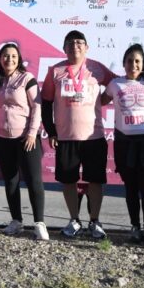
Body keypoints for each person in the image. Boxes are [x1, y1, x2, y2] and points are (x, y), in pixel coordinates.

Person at [42, 30, 116, 239]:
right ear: (64, 48)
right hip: (66, 137)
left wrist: (104, 100)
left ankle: (94, 221)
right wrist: (51, 130)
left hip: (94, 136)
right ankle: (74, 219)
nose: (75, 45)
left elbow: (117, 86)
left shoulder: (97, 68)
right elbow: (46, 102)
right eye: (70, 43)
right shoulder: (55, 71)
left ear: (87, 47)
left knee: (95, 180)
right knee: (69, 181)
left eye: (79, 42)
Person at [0, 43, 48, 241]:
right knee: (11, 180)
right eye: (5, 56)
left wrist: (32, 133)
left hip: (25, 138)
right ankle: (16, 220)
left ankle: (39, 223)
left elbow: (37, 107)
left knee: (33, 180)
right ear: (0, 59)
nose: (9, 59)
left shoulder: (27, 79)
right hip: (2, 138)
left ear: (19, 59)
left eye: (13, 56)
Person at [102, 44, 144, 245]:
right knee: (131, 187)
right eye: (129, 60)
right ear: (123, 63)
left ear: (143, 64)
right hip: (124, 142)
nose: (133, 64)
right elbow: (99, 101)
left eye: (137, 61)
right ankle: (135, 226)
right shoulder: (115, 84)